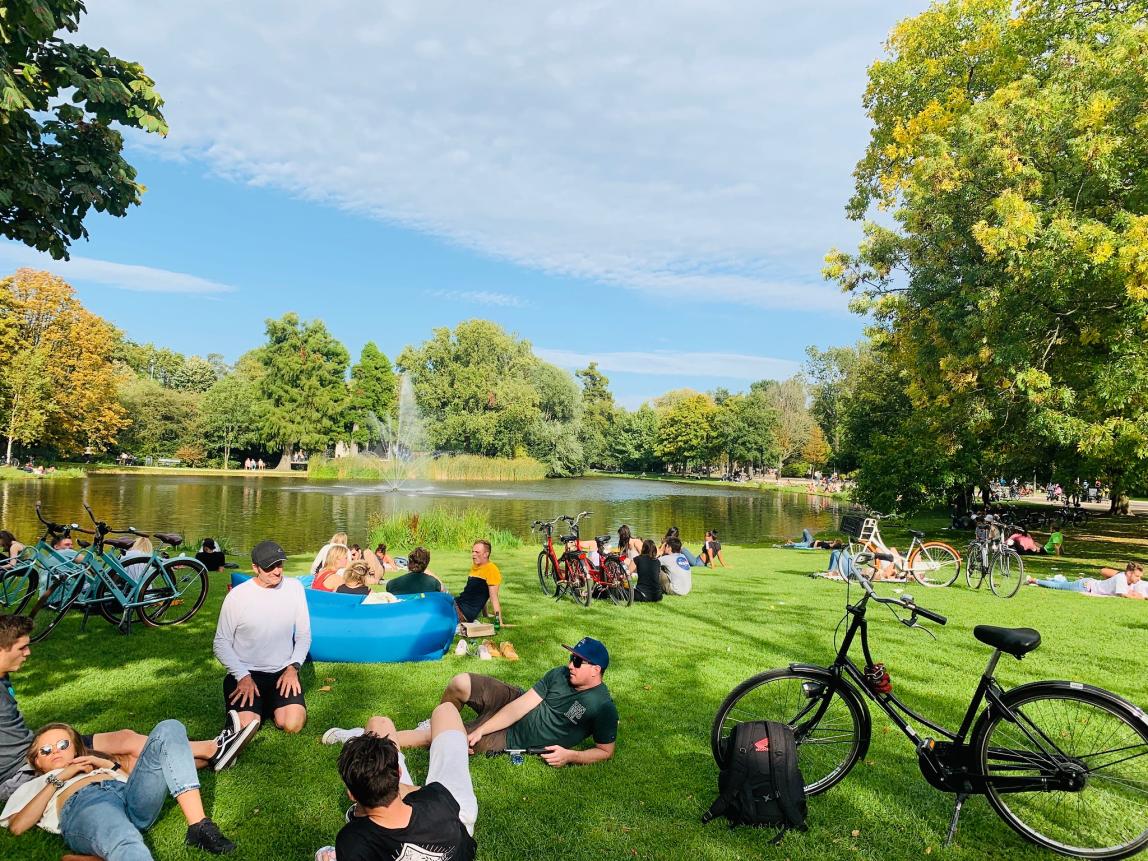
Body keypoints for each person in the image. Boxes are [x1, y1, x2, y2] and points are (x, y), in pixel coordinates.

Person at [0, 615, 254, 810]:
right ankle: (215, 751)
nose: (28, 652)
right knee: (128, 760)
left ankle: (214, 751)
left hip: (38, 748)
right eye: (22, 648)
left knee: (125, 738)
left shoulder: (3, 676)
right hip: (27, 767)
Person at [323, 638, 618, 768]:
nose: (570, 664)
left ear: (596, 670)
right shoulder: (559, 675)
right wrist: (483, 727)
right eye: (571, 657)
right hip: (511, 702)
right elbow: (520, 706)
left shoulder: (602, 706)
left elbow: (605, 751)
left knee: (433, 738)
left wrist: (571, 756)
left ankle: (359, 738)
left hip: (511, 737)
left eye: (577, 661)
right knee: (460, 682)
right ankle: (438, 720)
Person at [1, 720, 237, 856]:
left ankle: (199, 827)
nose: (55, 751)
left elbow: (134, 777)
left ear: (75, 748)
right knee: (124, 839)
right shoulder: (35, 783)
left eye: (63, 744)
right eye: (45, 750)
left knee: (169, 728)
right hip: (87, 805)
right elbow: (17, 826)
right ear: (36, 762)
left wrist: (106, 765)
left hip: (128, 795)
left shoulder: (95, 765)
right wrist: (60, 777)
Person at [318, 703, 478, 861]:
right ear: (399, 772)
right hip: (457, 819)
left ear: (352, 795)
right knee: (446, 710)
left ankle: (366, 738)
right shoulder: (438, 797)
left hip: (443, 816)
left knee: (379, 723)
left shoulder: (353, 842)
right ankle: (425, 736)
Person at [213, 540, 311, 733]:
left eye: (279, 565)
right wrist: (242, 676)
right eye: (269, 567)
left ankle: (267, 707)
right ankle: (256, 709)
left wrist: (293, 668)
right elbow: (220, 643)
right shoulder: (238, 596)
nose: (277, 571)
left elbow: (303, 635)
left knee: (293, 725)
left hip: (282, 672)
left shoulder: (295, 588)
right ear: (255, 568)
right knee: (245, 728)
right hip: (246, 672)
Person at [1027, 562, 1146, 598]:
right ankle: (1034, 580)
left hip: (1088, 584)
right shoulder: (1121, 578)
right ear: (1129, 573)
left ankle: (1048, 580)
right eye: (1137, 576)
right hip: (1084, 586)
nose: (1139, 579)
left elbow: (1132, 593)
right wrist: (1142, 597)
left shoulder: (1129, 581)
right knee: (1058, 587)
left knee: (1063, 584)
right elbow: (1125, 595)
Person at [454, 540, 502, 625]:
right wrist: (485, 614)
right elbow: (481, 593)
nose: (473, 554)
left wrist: (499, 622)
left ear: (486, 554)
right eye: (472, 552)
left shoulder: (492, 570)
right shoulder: (475, 567)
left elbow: (494, 598)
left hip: (463, 612)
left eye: (477, 552)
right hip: (457, 604)